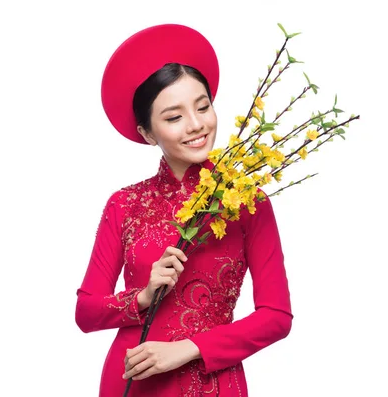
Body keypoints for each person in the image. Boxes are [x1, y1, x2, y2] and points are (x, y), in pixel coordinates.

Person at [75, 23, 293, 397]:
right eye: (174, 117)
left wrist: (188, 350)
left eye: (203, 107)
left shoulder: (246, 201)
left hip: (211, 382)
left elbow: (276, 317)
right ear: (147, 133)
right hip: (132, 379)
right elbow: (86, 313)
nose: (196, 125)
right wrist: (142, 297)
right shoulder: (124, 205)